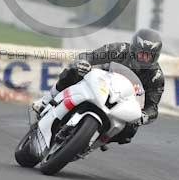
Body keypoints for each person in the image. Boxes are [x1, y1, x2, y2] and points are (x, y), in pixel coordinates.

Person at [33, 28, 164, 144]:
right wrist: (84, 62)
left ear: (155, 57)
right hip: (102, 85)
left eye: (148, 56)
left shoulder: (156, 76)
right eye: (141, 54)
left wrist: (144, 116)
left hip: (122, 104)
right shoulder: (120, 49)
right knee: (73, 70)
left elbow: (152, 107)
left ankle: (96, 140)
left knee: (129, 132)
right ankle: (46, 100)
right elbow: (90, 55)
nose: (143, 59)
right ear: (133, 50)